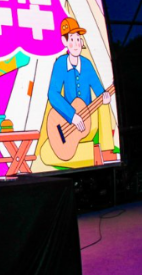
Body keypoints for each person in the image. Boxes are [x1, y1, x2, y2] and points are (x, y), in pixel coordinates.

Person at [40, 17, 117, 166]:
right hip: (69, 121)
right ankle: (92, 154)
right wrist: (72, 116)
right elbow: (53, 94)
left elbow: (99, 91)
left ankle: (106, 151)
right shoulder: (61, 63)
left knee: (103, 104)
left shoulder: (86, 64)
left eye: (78, 39)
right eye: (72, 39)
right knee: (45, 153)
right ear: (64, 41)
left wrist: (105, 96)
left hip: (90, 119)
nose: (76, 44)